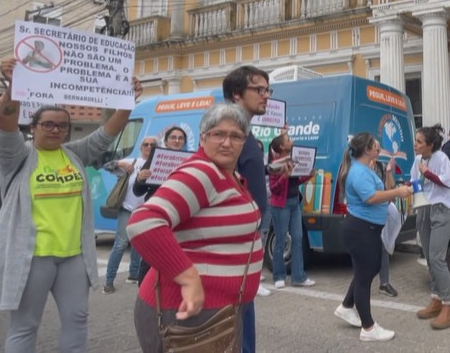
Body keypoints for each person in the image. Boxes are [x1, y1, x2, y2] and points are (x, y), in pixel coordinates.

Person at [0, 58, 141, 353]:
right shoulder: (16, 155)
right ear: (33, 127)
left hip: (73, 256)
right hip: (33, 256)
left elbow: (106, 135)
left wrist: (126, 102)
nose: (55, 130)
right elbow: (7, 123)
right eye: (48, 124)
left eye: (62, 126)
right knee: (25, 326)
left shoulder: (73, 154)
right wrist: (14, 87)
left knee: (78, 320)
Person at [127, 104, 263, 353]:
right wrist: (188, 278)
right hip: (188, 314)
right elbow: (144, 222)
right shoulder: (201, 172)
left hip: (216, 314)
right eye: (218, 134)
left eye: (235, 136)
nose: (226, 142)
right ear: (203, 138)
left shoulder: (227, 174)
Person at [333, 133, 412, 342]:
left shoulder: (365, 168)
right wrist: (397, 192)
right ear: (367, 150)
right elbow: (370, 198)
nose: (379, 147)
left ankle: (346, 306)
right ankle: (368, 328)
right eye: (375, 144)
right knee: (364, 276)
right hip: (361, 229)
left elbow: (378, 191)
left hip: (368, 229)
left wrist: (395, 187)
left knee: (368, 269)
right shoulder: (359, 172)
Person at [223, 65, 272, 353]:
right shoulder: (228, 132)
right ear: (236, 94)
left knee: (244, 320)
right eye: (259, 89)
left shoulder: (246, 132)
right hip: (232, 245)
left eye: (268, 90)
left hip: (246, 239)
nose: (266, 95)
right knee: (233, 328)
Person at [412, 125, 450, 329]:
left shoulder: (441, 158)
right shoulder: (417, 160)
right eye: (416, 140)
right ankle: (436, 299)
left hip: (442, 209)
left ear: (430, 145)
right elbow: (414, 180)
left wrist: (427, 173)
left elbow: (448, 182)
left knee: (437, 258)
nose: (415, 144)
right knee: (429, 257)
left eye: (419, 142)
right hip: (424, 208)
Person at [132, 127, 187, 284]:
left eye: (180, 138)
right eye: (173, 137)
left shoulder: (190, 160)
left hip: (180, 214)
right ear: (166, 140)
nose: (177, 141)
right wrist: (140, 179)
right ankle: (144, 289)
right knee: (152, 253)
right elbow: (137, 191)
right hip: (157, 212)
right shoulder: (155, 158)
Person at [102, 137, 154, 293]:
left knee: (138, 242)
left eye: (153, 145)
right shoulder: (131, 162)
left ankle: (133, 274)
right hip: (127, 208)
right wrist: (120, 163)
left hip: (146, 209)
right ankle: (109, 281)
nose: (149, 147)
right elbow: (106, 166)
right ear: (140, 146)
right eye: (146, 144)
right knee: (120, 244)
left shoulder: (158, 164)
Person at [267, 133, 314, 289]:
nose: (291, 141)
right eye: (288, 140)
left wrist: (308, 176)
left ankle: (298, 276)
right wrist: (284, 176)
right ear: (281, 147)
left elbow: (297, 180)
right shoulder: (275, 164)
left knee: (298, 238)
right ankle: (279, 276)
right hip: (281, 205)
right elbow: (274, 188)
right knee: (281, 240)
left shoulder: (293, 160)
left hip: (294, 203)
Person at [371, 159, 399, 298]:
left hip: (382, 211)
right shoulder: (361, 168)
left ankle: (384, 283)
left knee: (383, 248)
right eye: (374, 148)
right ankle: (359, 286)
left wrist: (388, 172)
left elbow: (391, 188)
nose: (377, 151)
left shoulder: (381, 166)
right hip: (368, 214)